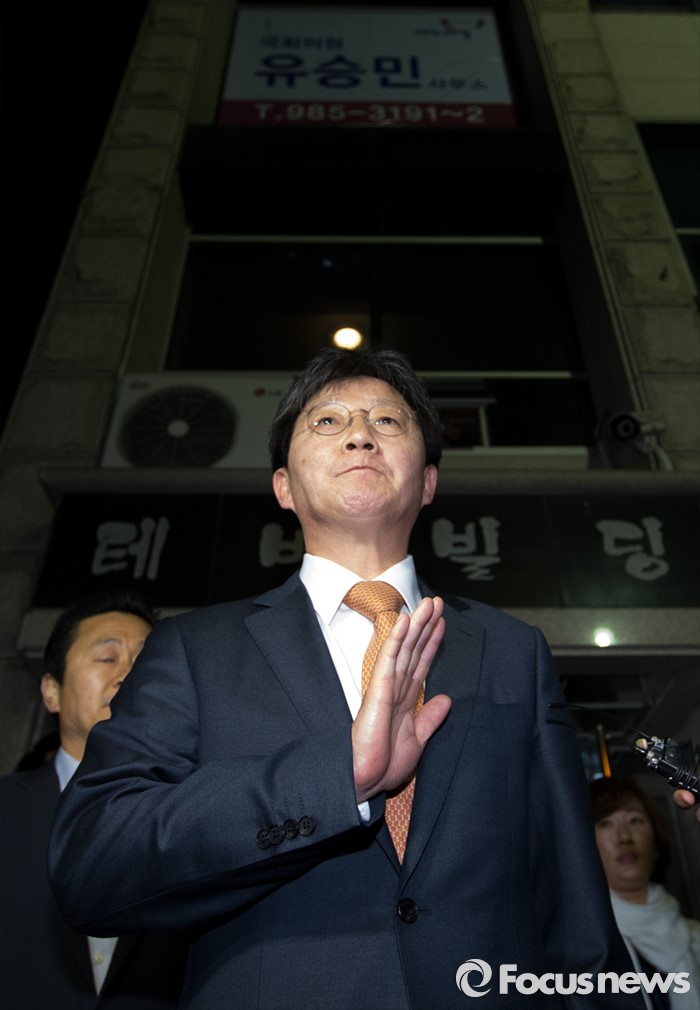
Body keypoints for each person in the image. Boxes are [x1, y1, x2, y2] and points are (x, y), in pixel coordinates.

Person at [48, 347, 645, 1009]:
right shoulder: (192, 649)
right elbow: (93, 867)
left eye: (388, 421)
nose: (361, 435)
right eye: (328, 422)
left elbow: (573, 901)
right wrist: (341, 777)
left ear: (428, 482)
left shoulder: (514, 651)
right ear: (283, 486)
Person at [0, 590, 191, 1010]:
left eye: (146, 660)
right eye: (107, 657)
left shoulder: (195, 813)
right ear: (51, 692)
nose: (129, 674)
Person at [590, 776, 700, 1010]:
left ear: (656, 839)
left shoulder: (695, 937)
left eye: (635, 821)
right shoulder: (587, 949)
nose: (624, 837)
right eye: (606, 824)